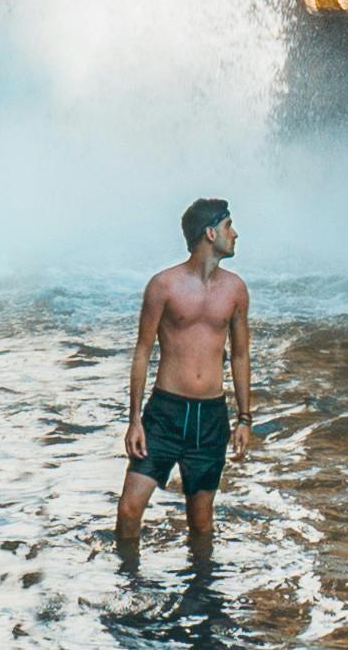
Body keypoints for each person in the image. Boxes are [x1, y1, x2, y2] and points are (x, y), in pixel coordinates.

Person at [114, 195, 251, 557]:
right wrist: (135, 419)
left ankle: (201, 596)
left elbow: (239, 355)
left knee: (201, 521)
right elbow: (142, 351)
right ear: (210, 233)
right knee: (129, 509)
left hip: (210, 417)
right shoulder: (163, 286)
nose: (235, 234)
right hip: (165, 413)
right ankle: (129, 588)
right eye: (228, 226)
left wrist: (244, 418)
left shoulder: (235, 290)